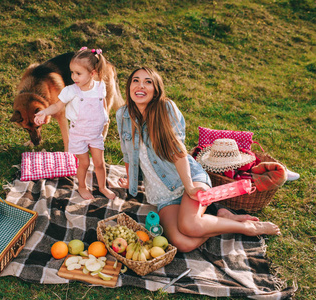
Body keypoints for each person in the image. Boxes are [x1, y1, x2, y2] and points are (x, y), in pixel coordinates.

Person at [116, 67, 280, 253]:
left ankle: (247, 228)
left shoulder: (165, 109)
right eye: (135, 80)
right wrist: (131, 181)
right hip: (162, 194)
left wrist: (190, 187)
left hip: (188, 179)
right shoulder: (123, 115)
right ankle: (222, 218)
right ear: (129, 86)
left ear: (156, 90)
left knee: (190, 226)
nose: (140, 86)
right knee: (182, 243)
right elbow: (128, 153)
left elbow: (177, 153)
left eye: (148, 82)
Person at [35, 47, 116, 200]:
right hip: (79, 134)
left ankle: (103, 187)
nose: (73, 77)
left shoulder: (100, 87)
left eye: (78, 73)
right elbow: (58, 106)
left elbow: (102, 101)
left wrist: (104, 117)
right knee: (84, 163)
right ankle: (82, 187)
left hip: (95, 134)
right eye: (72, 72)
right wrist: (44, 111)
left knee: (99, 163)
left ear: (92, 74)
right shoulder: (71, 91)